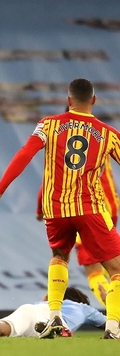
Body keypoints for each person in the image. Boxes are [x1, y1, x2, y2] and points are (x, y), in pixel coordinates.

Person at [0, 78, 120, 340]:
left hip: (56, 210)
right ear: (94, 100)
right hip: (90, 208)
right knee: (116, 269)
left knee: (59, 258)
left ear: (68, 101)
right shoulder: (108, 133)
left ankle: (55, 316)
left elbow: (25, 153)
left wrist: (0, 188)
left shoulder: (49, 125)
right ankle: (113, 325)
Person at [33, 109, 120, 308]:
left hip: (85, 206)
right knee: (112, 263)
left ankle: (114, 311)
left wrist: (40, 208)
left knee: (93, 268)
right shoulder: (101, 135)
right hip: (110, 204)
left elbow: (51, 180)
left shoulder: (61, 139)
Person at [0, 287, 105, 338]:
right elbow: (111, 325)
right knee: (53, 334)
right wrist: (108, 300)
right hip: (56, 320)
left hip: (29, 309)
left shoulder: (42, 302)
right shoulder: (84, 308)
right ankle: (51, 331)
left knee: (2, 327)